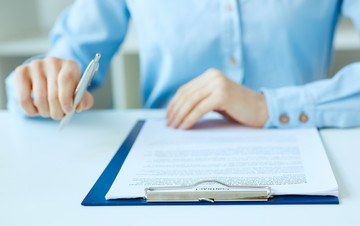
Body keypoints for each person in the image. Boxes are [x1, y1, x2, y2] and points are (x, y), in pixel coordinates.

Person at [5, 0, 360, 130]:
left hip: (299, 142)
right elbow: (70, 56)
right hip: (161, 155)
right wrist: (43, 83)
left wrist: (269, 106)